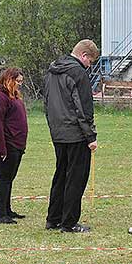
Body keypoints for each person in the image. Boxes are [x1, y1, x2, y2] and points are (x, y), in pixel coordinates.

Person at [43, 39, 99, 233]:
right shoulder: (78, 73)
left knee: (60, 175)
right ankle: (69, 223)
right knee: (76, 178)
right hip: (76, 134)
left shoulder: (52, 71)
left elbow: (47, 102)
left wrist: (53, 128)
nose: (89, 66)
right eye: (90, 61)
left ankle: (54, 218)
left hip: (58, 132)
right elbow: (83, 108)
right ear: (84, 55)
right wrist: (91, 136)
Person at [0, 68, 28, 224]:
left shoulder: (14, 96)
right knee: (4, 178)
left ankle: (8, 210)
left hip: (16, 143)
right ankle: (1, 214)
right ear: (8, 80)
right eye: (17, 81)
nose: (19, 85)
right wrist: (2, 148)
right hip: (6, 143)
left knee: (10, 178)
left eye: (21, 82)